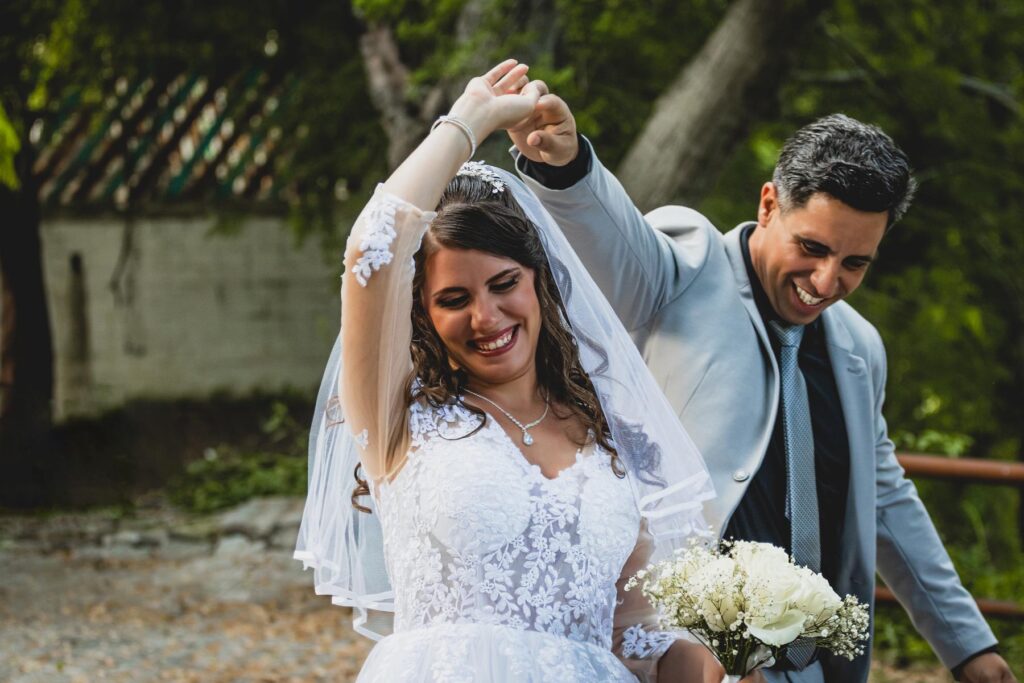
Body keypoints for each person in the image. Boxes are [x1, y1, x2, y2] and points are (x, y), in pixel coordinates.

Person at [505, 87, 1017, 683]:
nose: (827, 282)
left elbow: (886, 501)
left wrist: (969, 647)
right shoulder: (682, 272)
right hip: (679, 659)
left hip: (812, 668)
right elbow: (608, 237)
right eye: (813, 248)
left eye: (856, 263)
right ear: (769, 204)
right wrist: (564, 167)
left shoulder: (860, 348)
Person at [294, 60, 749, 682]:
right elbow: (374, 246)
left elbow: (633, 640)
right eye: (454, 299)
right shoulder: (397, 416)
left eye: (505, 284)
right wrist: (470, 119)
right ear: (423, 315)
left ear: (540, 282)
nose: (486, 317)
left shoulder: (610, 439)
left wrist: (732, 655)